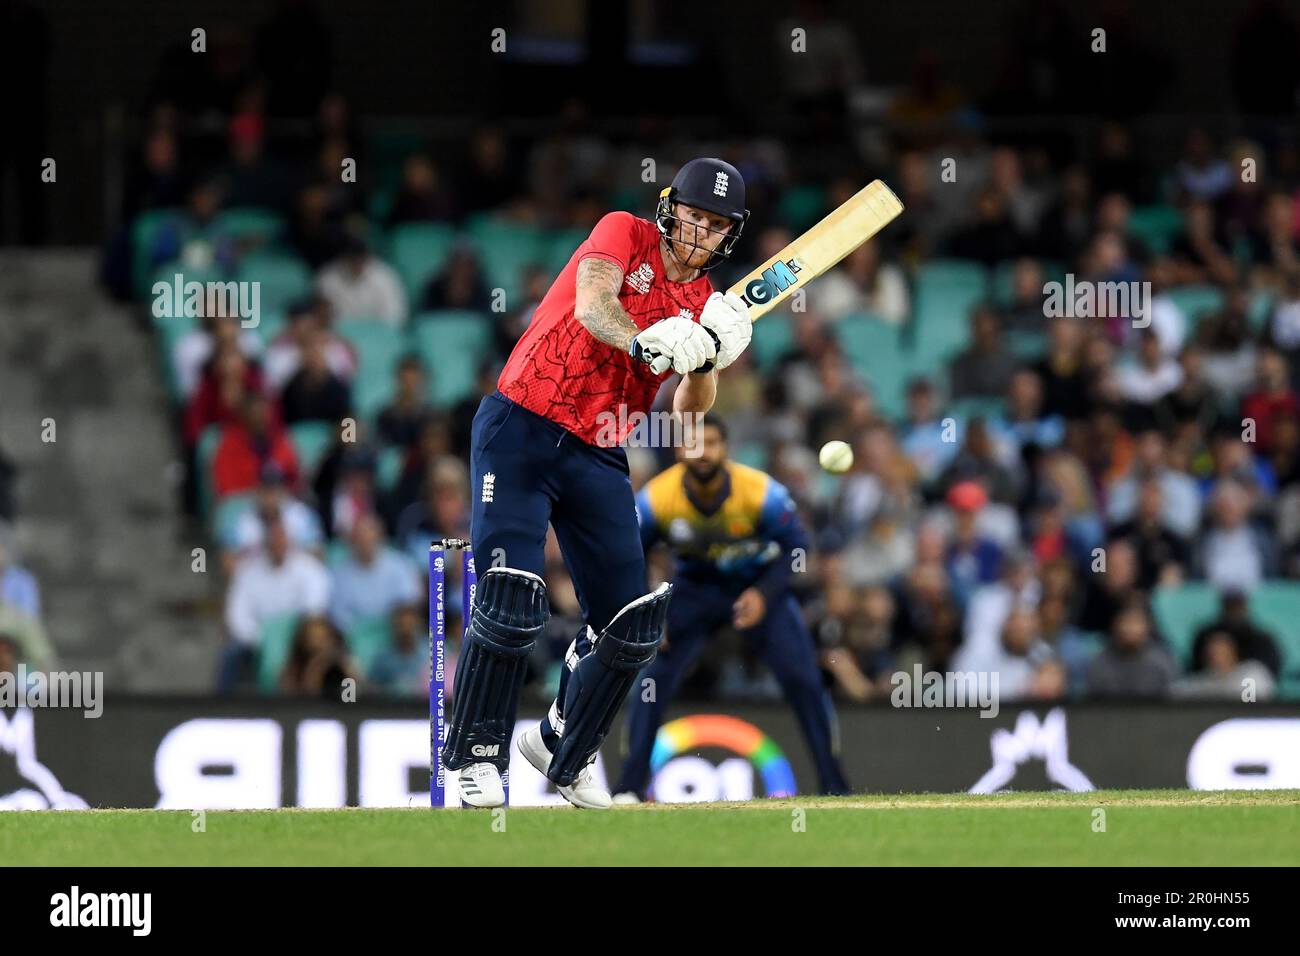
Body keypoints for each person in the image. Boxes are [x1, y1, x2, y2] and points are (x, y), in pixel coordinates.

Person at [443, 158, 754, 809]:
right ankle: (473, 754)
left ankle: (564, 746)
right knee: (511, 599)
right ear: (672, 210)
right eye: (695, 215)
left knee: (632, 623)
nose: (700, 232)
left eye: (715, 224)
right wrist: (647, 342)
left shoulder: (707, 303)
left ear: (731, 235)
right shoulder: (624, 230)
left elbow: (686, 416)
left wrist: (712, 360)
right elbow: (593, 306)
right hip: (521, 427)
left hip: (599, 449)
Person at [611, 416, 849, 802]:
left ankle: (834, 785)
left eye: (713, 443)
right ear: (679, 450)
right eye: (694, 443)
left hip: (755, 586)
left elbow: (799, 549)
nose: (703, 452)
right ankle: (629, 788)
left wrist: (765, 594)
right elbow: (631, 553)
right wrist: (648, 611)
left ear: (726, 450)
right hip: (694, 589)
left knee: (805, 681)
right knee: (652, 682)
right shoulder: (657, 498)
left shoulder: (758, 491)